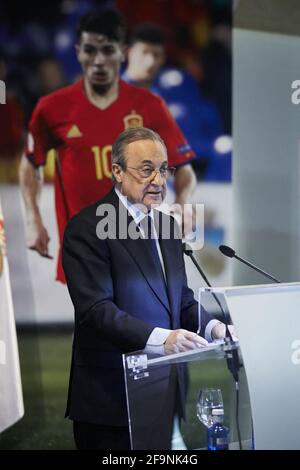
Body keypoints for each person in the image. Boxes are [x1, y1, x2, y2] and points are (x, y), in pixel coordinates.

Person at [62, 127, 233, 450]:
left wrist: (214, 327)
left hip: (166, 390)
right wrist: (162, 339)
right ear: (116, 171)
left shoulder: (168, 226)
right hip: (111, 396)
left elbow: (179, 299)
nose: (158, 179)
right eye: (146, 169)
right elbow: (96, 309)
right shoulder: (87, 227)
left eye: (164, 169)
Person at [19, 9, 196, 284]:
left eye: (108, 50)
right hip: (83, 248)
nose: (98, 61)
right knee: (99, 323)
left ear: (122, 52)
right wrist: (33, 219)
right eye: (90, 50)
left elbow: (184, 168)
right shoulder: (52, 109)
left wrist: (184, 203)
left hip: (138, 245)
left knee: (133, 322)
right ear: (78, 52)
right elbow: (31, 162)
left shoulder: (149, 106)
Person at [122, 23, 222, 180]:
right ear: (129, 52)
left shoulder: (156, 100)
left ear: (162, 59)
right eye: (144, 53)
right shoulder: (112, 94)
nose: (150, 61)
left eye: (156, 55)